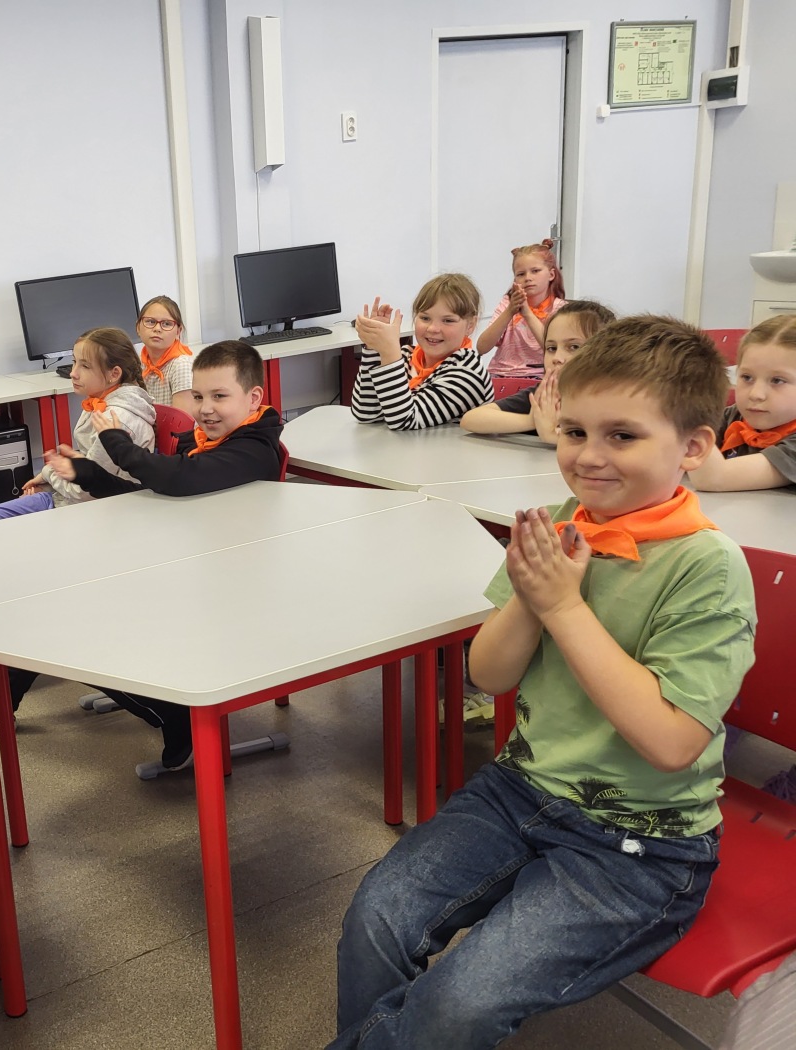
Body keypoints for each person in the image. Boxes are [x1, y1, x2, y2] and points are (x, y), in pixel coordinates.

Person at [328, 316, 757, 1050]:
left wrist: (562, 606)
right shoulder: (566, 522)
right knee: (376, 917)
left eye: (622, 436)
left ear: (692, 448)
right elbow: (487, 674)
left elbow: (671, 743)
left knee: (461, 1003)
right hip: (520, 789)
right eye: (574, 431)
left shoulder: (708, 568)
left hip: (641, 841)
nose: (588, 456)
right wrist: (532, 599)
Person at [44, 340, 284, 768]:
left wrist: (116, 441)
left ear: (253, 398)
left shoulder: (250, 451)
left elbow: (177, 479)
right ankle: (167, 707)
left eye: (219, 396)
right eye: (199, 396)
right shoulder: (210, 442)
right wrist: (89, 473)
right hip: (192, 570)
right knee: (72, 619)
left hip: (228, 596)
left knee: (82, 632)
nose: (205, 409)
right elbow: (153, 494)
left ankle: (182, 725)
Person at [0, 326, 155, 524]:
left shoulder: (115, 419)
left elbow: (88, 488)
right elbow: (89, 468)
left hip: (95, 510)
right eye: (74, 362)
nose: (73, 373)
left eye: (85, 366)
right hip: (74, 499)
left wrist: (49, 475)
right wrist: (49, 480)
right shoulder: (100, 402)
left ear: (114, 373)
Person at [460, 300, 616, 444]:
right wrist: (535, 420)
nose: (557, 358)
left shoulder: (613, 399)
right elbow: (471, 420)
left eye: (574, 347)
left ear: (606, 351)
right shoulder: (546, 394)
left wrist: (552, 436)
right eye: (551, 348)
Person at [350, 273, 492, 431]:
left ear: (470, 325)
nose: (433, 328)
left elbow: (405, 421)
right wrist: (375, 348)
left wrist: (389, 353)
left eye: (448, 320)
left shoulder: (468, 373)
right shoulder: (406, 356)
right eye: (425, 318)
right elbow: (366, 413)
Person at [688, 315, 796, 491]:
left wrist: (686, 407)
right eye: (747, 377)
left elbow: (714, 478)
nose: (756, 394)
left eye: (777, 380)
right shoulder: (734, 416)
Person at [474, 238, 568, 396]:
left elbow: (551, 348)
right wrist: (510, 311)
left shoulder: (560, 308)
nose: (528, 278)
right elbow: (482, 348)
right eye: (521, 274)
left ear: (551, 274)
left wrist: (527, 313)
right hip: (499, 375)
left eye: (535, 271)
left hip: (539, 378)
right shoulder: (507, 303)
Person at [136, 294, 196, 415]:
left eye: (167, 324)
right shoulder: (138, 363)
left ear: (178, 331)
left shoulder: (181, 365)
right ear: (138, 328)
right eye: (150, 321)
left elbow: (181, 421)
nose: (157, 328)